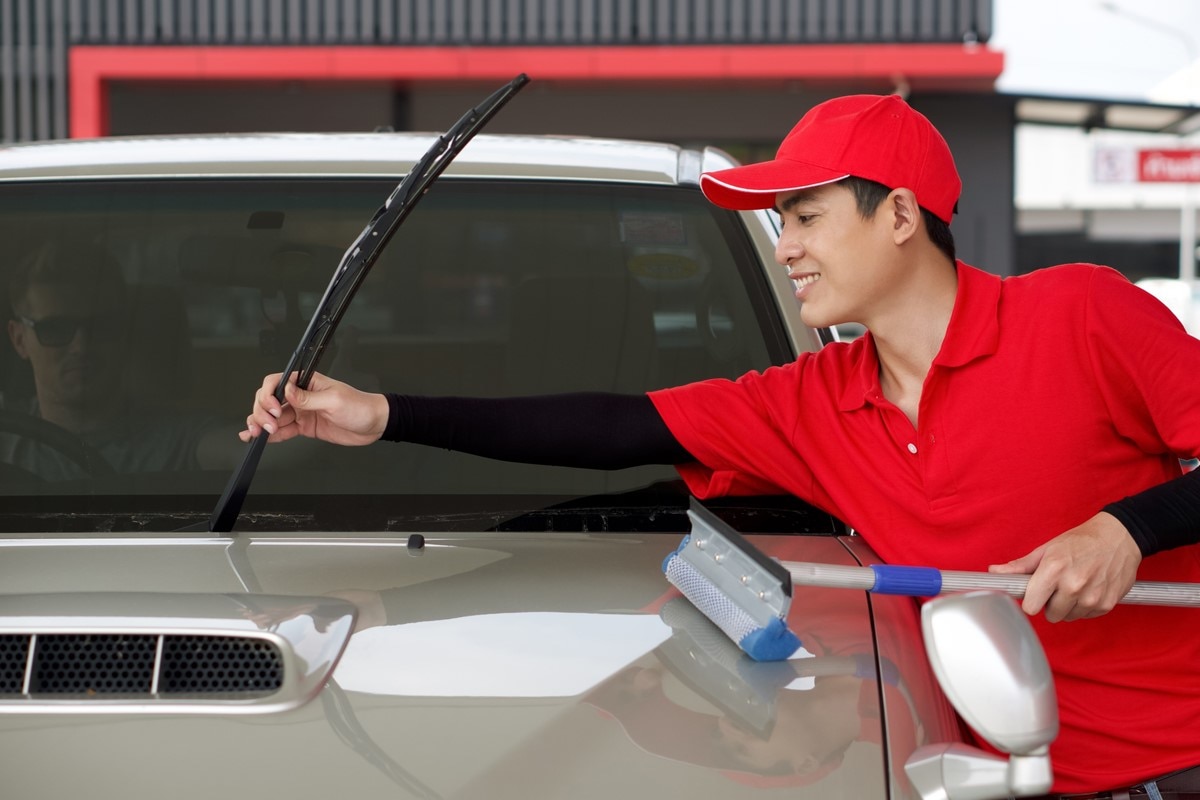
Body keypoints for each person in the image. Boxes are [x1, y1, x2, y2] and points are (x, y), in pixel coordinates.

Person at [242, 94, 1200, 796]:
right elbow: (613, 426)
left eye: (808, 217)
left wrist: (1126, 531)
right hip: (981, 777)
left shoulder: (1082, 314)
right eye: (784, 224)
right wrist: (386, 415)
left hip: (1176, 761)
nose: (786, 247)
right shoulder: (811, 400)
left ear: (902, 216)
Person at [3, 239, 232, 479]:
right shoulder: (6, 436)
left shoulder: (180, 439)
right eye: (56, 329)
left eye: (101, 326)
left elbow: (243, 451)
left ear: (124, 331)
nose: (81, 347)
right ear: (19, 339)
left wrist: (263, 422)